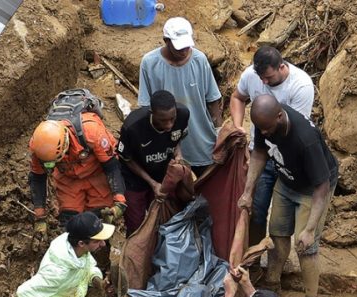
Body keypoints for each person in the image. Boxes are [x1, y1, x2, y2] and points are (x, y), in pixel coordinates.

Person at [238, 95, 338, 297]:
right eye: (261, 129)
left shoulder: (305, 139)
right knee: (277, 235)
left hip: (312, 189)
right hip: (287, 182)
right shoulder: (265, 123)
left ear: (280, 116)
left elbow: (322, 187)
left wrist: (310, 229)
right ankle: (273, 285)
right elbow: (260, 153)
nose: (265, 133)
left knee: (305, 246)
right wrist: (248, 192)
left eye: (268, 129)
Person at [229, 46, 315, 253]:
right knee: (255, 209)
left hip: (289, 158)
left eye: (268, 77)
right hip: (260, 152)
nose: (264, 83)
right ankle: (253, 258)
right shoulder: (252, 75)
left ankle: (277, 263)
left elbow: (295, 131)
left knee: (280, 220)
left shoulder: (300, 86)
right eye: (261, 78)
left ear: (282, 67)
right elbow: (238, 97)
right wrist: (239, 126)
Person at [137, 17, 222, 177]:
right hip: (166, 140)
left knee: (207, 186)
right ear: (166, 41)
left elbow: (213, 99)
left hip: (200, 137)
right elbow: (145, 107)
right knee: (174, 188)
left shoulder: (199, 60)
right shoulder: (150, 63)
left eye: (186, 46)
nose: (184, 51)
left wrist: (218, 130)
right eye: (179, 48)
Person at [28, 113, 126, 245]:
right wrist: (40, 217)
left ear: (65, 146)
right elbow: (38, 178)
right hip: (68, 178)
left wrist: (119, 200)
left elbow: (112, 167)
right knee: (70, 222)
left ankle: (99, 256)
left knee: (97, 219)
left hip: (97, 174)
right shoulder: (39, 148)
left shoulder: (92, 133)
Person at [118, 90, 189, 234]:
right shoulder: (133, 127)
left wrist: (178, 155)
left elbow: (177, 139)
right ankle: (136, 253)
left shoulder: (183, 115)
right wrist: (152, 183)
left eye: (172, 119)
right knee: (136, 223)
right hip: (134, 179)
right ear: (152, 113)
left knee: (163, 217)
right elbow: (128, 159)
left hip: (161, 173)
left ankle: (160, 252)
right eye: (163, 120)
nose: (169, 125)